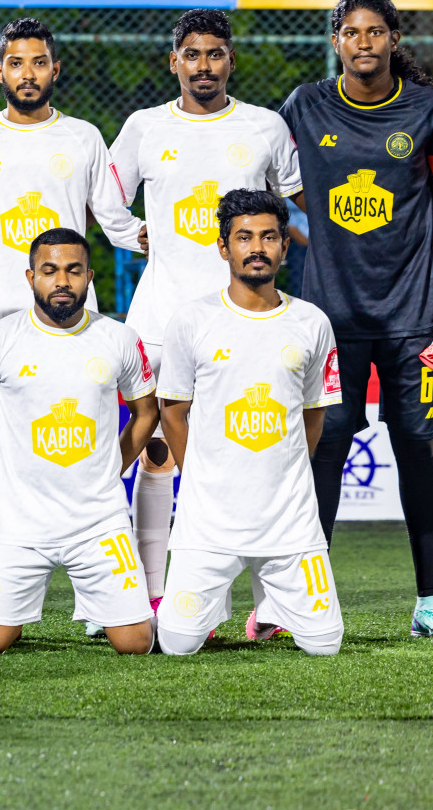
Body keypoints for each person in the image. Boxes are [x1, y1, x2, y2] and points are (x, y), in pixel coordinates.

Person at [280, 0, 433, 640]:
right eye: (350, 31)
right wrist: (320, 238)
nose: (363, 42)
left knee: (416, 445)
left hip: (415, 317)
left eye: (375, 31)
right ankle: (308, 599)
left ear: (393, 40)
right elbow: (274, 191)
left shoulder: (430, 109)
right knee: (327, 447)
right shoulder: (304, 106)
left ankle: (431, 603)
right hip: (329, 318)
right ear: (335, 41)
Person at [108, 9, 303, 612]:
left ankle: (269, 602)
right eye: (192, 53)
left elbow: (294, 210)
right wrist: (139, 235)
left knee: (251, 449)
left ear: (230, 61)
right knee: (158, 452)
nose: (203, 65)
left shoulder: (267, 126)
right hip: (162, 319)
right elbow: (107, 200)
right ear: (174, 62)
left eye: (215, 53)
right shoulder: (144, 127)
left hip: (246, 320)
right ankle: (153, 594)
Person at [0, 17, 147, 607]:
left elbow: (113, 222)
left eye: (39, 62)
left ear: (55, 69)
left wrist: (183, 244)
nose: (28, 74)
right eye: (16, 63)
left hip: (72, 326)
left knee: (85, 448)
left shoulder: (84, 137)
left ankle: (104, 602)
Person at [154, 189, 344, 656]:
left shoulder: (312, 322)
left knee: (325, 645)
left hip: (290, 522)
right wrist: (200, 476)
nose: (256, 247)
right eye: (244, 237)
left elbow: (313, 415)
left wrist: (285, 473)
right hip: (209, 522)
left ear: (284, 244)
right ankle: (215, 604)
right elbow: (173, 411)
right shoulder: (192, 319)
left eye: (268, 237)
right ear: (224, 247)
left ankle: (269, 609)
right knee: (177, 644)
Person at [0, 228, 158, 655]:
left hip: (99, 522)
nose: (62, 281)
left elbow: (147, 411)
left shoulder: (118, 338)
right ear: (31, 278)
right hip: (22, 523)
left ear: (89, 276)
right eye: (49, 271)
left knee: (136, 644)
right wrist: (3, 472)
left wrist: (111, 467)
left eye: (73, 271)